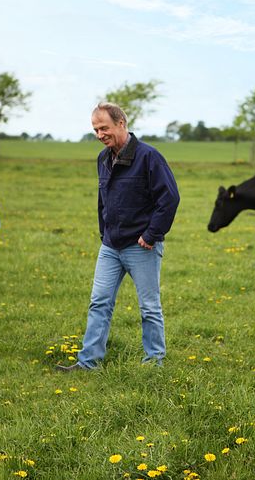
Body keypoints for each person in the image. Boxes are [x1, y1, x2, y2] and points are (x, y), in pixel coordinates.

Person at [56, 102, 180, 371]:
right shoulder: (103, 158)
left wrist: (151, 234)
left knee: (149, 307)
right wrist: (105, 233)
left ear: (121, 123)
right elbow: (104, 200)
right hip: (111, 244)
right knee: (99, 302)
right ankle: (88, 362)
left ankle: (154, 362)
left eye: (104, 128)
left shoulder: (149, 157)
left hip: (141, 246)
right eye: (95, 130)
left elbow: (169, 199)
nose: (100, 134)